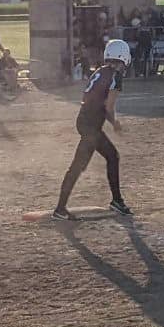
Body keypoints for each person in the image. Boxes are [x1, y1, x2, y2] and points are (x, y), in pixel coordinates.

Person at [53, 38, 133, 218]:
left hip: (84, 120)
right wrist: (115, 123)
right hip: (91, 125)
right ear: (123, 57)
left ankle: (61, 207)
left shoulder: (100, 71)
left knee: (86, 163)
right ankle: (116, 201)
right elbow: (108, 107)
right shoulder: (116, 76)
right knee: (110, 157)